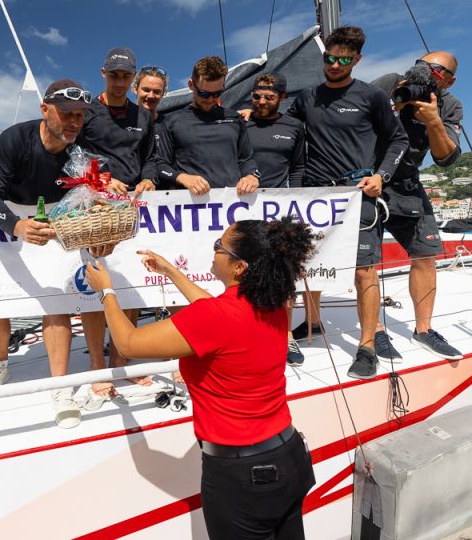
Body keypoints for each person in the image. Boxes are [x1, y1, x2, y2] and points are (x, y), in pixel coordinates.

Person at [85, 216, 317, 539]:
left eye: (219, 246)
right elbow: (215, 310)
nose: (214, 249)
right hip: (290, 456)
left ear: (239, 267)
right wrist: (170, 272)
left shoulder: (215, 318)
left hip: (243, 477)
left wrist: (106, 290)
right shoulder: (273, 301)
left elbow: (126, 342)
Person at [0, 79, 113, 427]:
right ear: (45, 110)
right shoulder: (14, 139)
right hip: (11, 220)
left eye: (80, 116)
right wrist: (17, 226)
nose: (73, 122)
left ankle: (61, 387)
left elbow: (93, 196)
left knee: (60, 300)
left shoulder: (80, 149)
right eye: (66, 113)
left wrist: (102, 214)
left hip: (56, 223)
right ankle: (0, 362)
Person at [286, 26, 409, 379]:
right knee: (308, 264)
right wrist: (250, 118)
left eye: (344, 59)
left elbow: (397, 140)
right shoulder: (307, 98)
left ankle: (367, 346)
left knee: (363, 270)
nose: (335, 64)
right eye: (330, 58)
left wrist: (381, 176)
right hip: (316, 194)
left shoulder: (370, 96)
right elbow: (284, 129)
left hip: (357, 194)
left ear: (357, 60)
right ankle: (313, 322)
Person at [368, 52, 464, 361]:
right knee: (365, 261)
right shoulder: (391, 83)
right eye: (422, 64)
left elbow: (446, 158)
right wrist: (395, 105)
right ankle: (376, 331)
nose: (426, 71)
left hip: (407, 183)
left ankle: (423, 330)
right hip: (369, 180)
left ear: (449, 79)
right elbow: (351, 116)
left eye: (435, 69)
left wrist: (434, 122)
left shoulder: (449, 105)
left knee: (426, 254)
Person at [77, 47, 159, 398]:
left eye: (126, 76)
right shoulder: (87, 112)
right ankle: (97, 364)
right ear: (103, 74)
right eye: (114, 75)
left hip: (132, 206)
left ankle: (122, 357)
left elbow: (151, 157)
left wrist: (150, 178)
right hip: (94, 205)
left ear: (133, 77)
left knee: (130, 282)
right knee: (96, 285)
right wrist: (99, 178)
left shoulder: (143, 115)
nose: (120, 81)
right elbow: (72, 154)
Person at [243, 72, 306, 367]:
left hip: (279, 208)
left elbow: (298, 166)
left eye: (269, 97)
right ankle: (248, 334)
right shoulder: (240, 122)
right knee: (244, 274)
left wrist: (297, 200)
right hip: (241, 207)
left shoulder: (293, 126)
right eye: (257, 96)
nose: (261, 102)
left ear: (281, 97)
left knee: (283, 274)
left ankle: (286, 336)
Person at [157, 55, 260, 196]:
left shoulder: (234, 119)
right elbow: (160, 164)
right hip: (189, 205)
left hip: (231, 203)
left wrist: (251, 176)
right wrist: (182, 178)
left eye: (217, 93)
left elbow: (247, 159)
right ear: (191, 85)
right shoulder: (171, 121)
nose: (210, 99)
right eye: (204, 94)